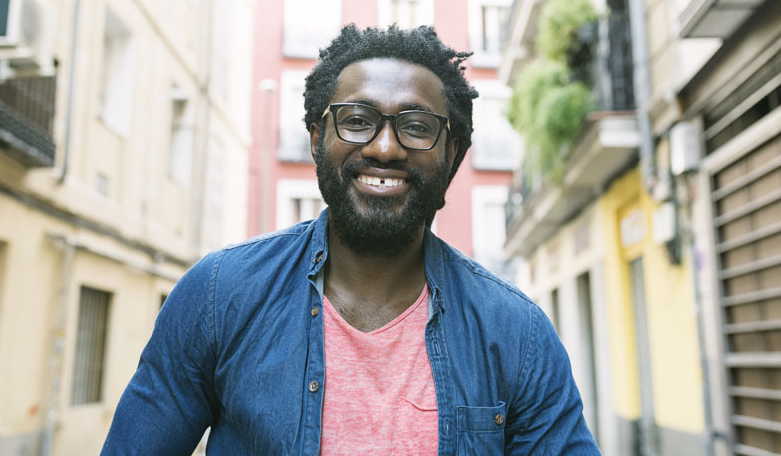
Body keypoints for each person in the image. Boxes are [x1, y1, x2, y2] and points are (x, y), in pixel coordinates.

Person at [100, 24, 600, 455]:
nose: (384, 147)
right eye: (357, 121)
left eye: (416, 126)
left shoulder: (517, 334)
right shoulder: (218, 296)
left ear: (453, 155)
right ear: (317, 139)